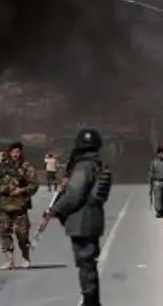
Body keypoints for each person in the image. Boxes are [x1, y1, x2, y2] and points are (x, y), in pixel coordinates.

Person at [45, 129, 112, 306]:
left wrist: (57, 210)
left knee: (85, 263)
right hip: (93, 218)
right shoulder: (99, 164)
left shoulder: (84, 166)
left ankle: (90, 301)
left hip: (82, 220)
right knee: (89, 262)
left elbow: (75, 194)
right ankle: (92, 300)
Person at [0, 142, 38, 269]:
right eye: (13, 152)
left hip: (20, 206)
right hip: (4, 205)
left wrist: (22, 190)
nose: (15, 154)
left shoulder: (26, 167)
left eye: (17, 152)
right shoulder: (3, 166)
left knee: (22, 233)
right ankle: (8, 259)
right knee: (4, 232)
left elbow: (34, 185)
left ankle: (25, 257)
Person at [150, 147, 163, 218]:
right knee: (158, 197)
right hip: (157, 181)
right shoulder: (154, 162)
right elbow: (151, 173)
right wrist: (151, 185)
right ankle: (159, 211)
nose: (162, 155)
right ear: (158, 154)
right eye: (160, 153)